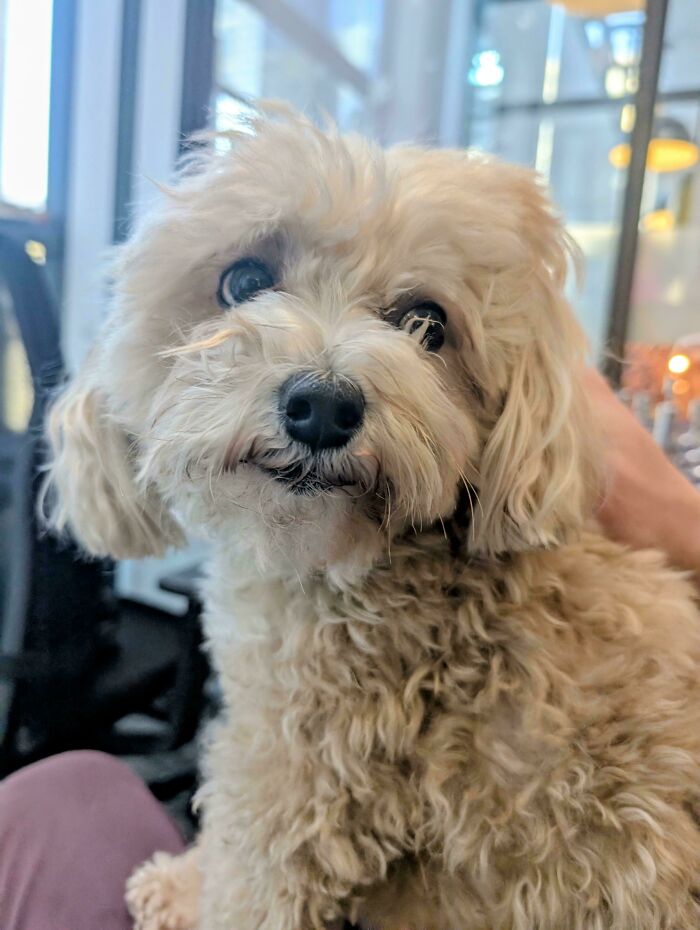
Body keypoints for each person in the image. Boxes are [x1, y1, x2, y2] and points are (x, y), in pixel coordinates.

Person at [1, 372, 699, 930]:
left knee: (59, 797)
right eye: (248, 282)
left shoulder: (366, 626)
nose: (324, 393)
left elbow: (283, 873)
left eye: (420, 324)